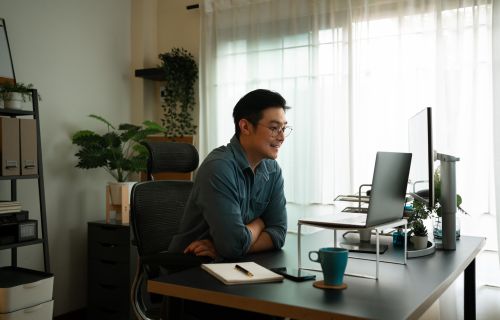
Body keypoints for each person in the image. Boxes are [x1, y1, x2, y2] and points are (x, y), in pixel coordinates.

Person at [168, 89, 291, 260]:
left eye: (284, 128)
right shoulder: (219, 168)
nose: (282, 137)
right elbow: (233, 244)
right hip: (188, 268)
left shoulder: (273, 170)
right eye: (274, 128)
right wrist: (260, 223)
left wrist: (229, 248)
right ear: (245, 127)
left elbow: (278, 234)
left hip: (231, 264)